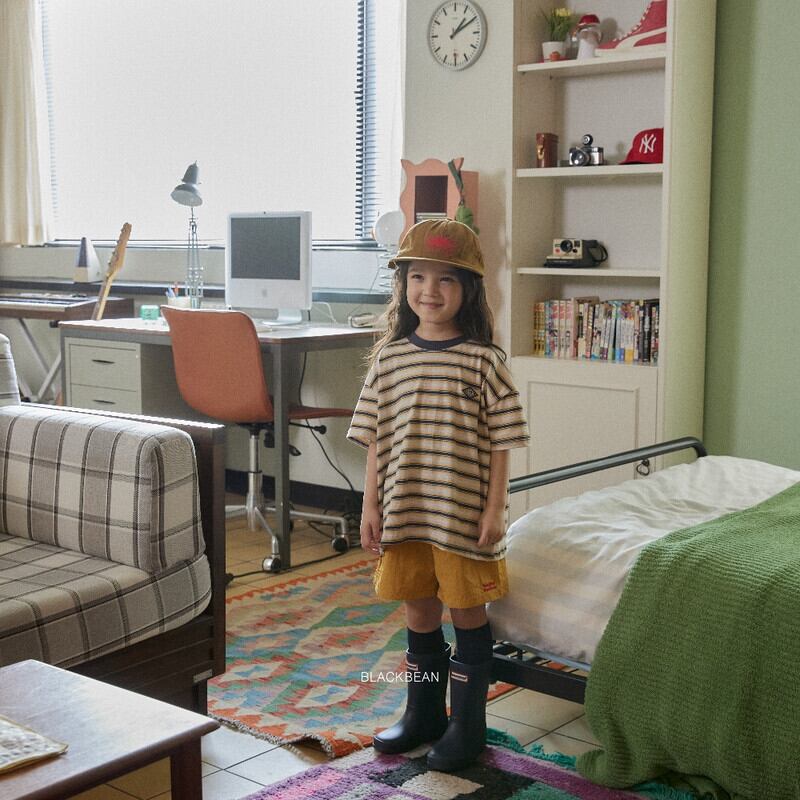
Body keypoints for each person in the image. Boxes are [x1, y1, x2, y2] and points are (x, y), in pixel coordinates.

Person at [347, 218, 529, 772]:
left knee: (466, 612)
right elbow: (375, 438)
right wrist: (370, 505)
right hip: (405, 513)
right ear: (403, 284)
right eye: (418, 277)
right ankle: (423, 714)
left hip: (463, 517)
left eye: (446, 278)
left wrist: (495, 510)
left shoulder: (484, 360)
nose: (430, 290)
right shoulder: (390, 358)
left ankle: (467, 726)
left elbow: (503, 441)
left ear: (468, 289)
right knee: (419, 609)